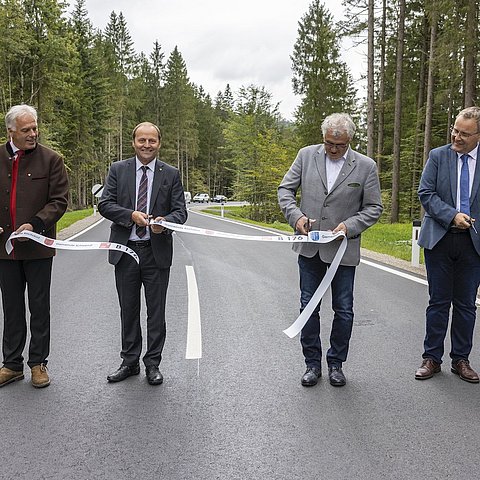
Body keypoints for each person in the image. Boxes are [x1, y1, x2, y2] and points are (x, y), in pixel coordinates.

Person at [278, 113, 382, 387]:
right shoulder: (305, 156)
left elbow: (374, 208)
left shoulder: (366, 166)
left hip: (342, 251)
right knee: (308, 307)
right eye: (329, 143)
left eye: (340, 145)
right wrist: (297, 217)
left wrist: (349, 226)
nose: (333, 149)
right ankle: (312, 364)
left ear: (349, 141)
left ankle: (336, 363)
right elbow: (285, 190)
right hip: (310, 248)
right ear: (323, 138)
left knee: (344, 309)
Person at [99, 122, 187, 386]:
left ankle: (152, 364)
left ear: (159, 143)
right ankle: (129, 362)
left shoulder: (171, 174)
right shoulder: (118, 170)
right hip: (125, 251)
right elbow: (105, 204)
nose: (147, 145)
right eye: (142, 140)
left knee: (156, 312)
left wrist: (164, 222)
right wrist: (130, 216)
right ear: (134, 142)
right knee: (129, 309)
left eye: (152, 141)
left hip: (155, 252)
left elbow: (180, 212)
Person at [0, 104, 69, 388]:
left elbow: (59, 201)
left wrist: (36, 225)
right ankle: (12, 364)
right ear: (10, 131)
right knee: (11, 307)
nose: (32, 134)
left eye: (35, 128)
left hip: (38, 248)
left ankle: (38, 363)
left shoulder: (52, 159)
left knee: (39, 307)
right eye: (26, 130)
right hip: (4, 250)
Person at [415, 106, 480, 383]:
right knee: (438, 302)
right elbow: (425, 193)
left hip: (473, 243)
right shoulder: (438, 156)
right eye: (455, 130)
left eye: (465, 134)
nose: (457, 136)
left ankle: (461, 360)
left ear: (478, 135)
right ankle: (431, 358)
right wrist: (452, 216)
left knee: (466, 304)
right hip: (440, 238)